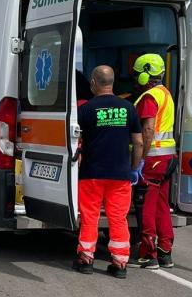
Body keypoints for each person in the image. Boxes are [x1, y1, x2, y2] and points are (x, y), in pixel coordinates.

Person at [73, 65, 145, 279]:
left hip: (92, 174)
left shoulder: (85, 109)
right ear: (112, 83)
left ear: (93, 83)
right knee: (118, 218)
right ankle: (119, 263)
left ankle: (86, 259)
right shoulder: (128, 108)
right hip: (120, 175)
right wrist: (133, 167)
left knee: (90, 217)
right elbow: (139, 142)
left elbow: (77, 141)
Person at [131, 53, 176, 270]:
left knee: (146, 205)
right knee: (161, 206)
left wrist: (140, 158)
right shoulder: (165, 93)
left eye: (137, 74)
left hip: (153, 160)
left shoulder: (149, 97)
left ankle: (148, 254)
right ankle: (165, 252)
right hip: (168, 159)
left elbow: (148, 129)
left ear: (144, 75)